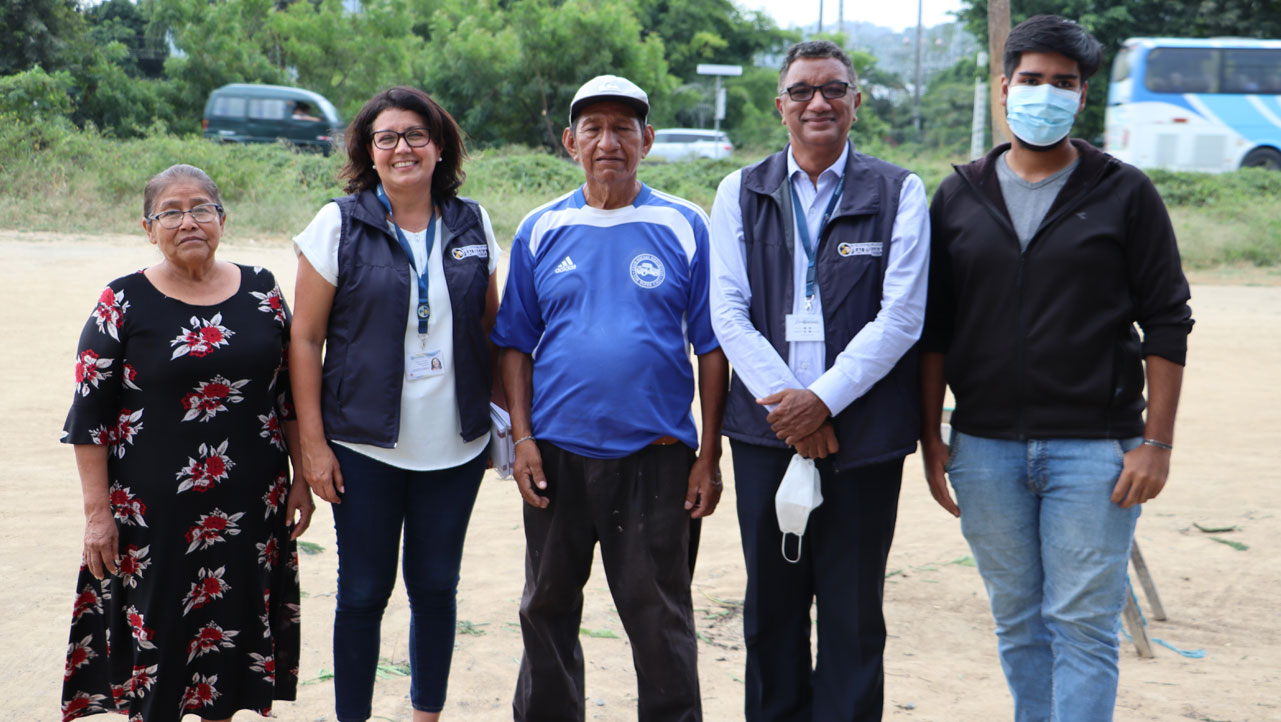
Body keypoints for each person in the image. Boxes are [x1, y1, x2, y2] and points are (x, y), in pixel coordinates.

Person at [920, 15, 1194, 722]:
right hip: (982, 450)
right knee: (1017, 621)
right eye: (1031, 79)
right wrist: (931, 439)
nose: (1045, 93)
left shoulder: (1124, 193)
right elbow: (932, 333)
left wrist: (1154, 444)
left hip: (1094, 451)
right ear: (1004, 86)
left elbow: (1167, 318)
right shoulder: (956, 196)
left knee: (1081, 624)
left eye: (1063, 83)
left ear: (1081, 99)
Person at [492, 74, 729, 722]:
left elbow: (712, 347)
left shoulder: (683, 223)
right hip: (557, 457)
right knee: (545, 611)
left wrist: (707, 457)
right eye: (592, 128)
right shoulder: (542, 227)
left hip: (655, 457)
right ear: (570, 142)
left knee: (660, 623)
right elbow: (514, 343)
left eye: (623, 128)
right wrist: (522, 440)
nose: (608, 141)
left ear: (647, 140)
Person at [708, 40, 930, 721]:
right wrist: (791, 411)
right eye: (801, 90)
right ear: (780, 107)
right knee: (770, 608)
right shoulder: (739, 191)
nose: (818, 102)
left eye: (833, 89)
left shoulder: (898, 191)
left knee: (852, 609)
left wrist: (822, 401)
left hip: (861, 439)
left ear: (855, 104)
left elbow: (902, 317)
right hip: (765, 436)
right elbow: (727, 311)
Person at [60, 163, 313, 721]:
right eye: (170, 212)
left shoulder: (264, 291)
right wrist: (97, 513)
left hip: (250, 511)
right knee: (160, 637)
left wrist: (300, 482)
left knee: (230, 637)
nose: (188, 221)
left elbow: (291, 395)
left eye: (200, 208)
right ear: (148, 228)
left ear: (222, 219)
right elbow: (90, 416)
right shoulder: (121, 302)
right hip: (153, 518)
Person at [289, 86, 502, 722]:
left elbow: (493, 330)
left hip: (454, 448)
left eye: (416, 135)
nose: (402, 147)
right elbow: (304, 338)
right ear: (369, 153)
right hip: (362, 446)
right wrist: (313, 444)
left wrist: (507, 426)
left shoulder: (472, 222)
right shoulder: (338, 223)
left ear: (440, 147)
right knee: (360, 593)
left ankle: (424, 715)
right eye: (387, 137)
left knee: (436, 589)